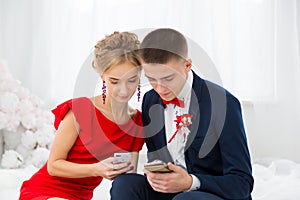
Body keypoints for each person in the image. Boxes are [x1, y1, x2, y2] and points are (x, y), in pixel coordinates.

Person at [110, 28, 254, 200]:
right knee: (125, 184)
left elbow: (242, 182)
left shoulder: (224, 103)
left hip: (213, 194)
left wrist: (190, 183)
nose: (160, 88)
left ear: (187, 65)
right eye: (151, 79)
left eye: (168, 78)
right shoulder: (150, 99)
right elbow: (157, 158)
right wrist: (156, 174)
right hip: (172, 193)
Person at [19, 31, 144, 200]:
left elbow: (127, 179)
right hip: (45, 191)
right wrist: (97, 169)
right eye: (115, 81)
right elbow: (53, 166)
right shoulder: (81, 110)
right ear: (103, 77)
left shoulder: (137, 122)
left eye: (131, 80)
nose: (124, 90)